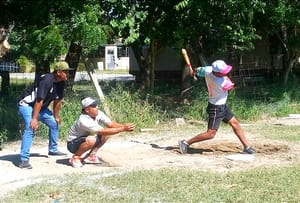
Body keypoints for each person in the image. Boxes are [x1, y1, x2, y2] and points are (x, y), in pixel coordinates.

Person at [178, 60, 255, 154]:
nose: (226, 73)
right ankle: (185, 143)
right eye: (223, 72)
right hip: (216, 108)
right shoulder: (220, 82)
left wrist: (193, 72)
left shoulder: (208, 70)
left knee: (235, 123)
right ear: (216, 72)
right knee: (210, 134)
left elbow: (197, 70)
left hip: (222, 106)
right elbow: (231, 86)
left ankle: (247, 147)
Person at [17, 61, 72, 169]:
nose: (68, 74)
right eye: (66, 72)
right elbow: (39, 100)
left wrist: (56, 116)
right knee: (30, 127)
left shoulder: (61, 82)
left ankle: (53, 149)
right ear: (58, 72)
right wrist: (34, 118)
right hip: (26, 105)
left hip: (40, 108)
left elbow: (58, 101)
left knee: (53, 123)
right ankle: (24, 160)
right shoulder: (47, 80)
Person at [67, 97, 135, 168]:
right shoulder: (83, 120)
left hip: (85, 139)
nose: (97, 107)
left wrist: (126, 127)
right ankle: (76, 157)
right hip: (72, 144)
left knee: (106, 134)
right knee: (92, 139)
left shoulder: (98, 113)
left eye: (96, 105)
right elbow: (101, 131)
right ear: (87, 110)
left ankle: (91, 156)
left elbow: (111, 124)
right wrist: (123, 128)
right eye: (94, 106)